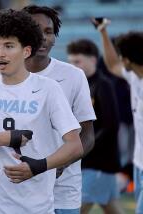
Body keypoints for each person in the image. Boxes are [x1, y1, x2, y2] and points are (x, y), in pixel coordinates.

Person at [0, 8, 84, 214]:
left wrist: (38, 166)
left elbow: (75, 146)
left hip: (36, 206)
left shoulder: (48, 89)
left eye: (9, 46)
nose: (0, 53)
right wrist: (5, 138)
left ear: (26, 51)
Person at [22, 5, 96, 214]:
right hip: (19, 191)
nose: (43, 38)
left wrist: (59, 164)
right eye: (37, 31)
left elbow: (88, 135)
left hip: (63, 193)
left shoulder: (74, 76)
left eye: (48, 32)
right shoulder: (3, 77)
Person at [67, 39, 124, 214]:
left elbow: (110, 125)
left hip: (99, 162)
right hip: (90, 161)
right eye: (71, 62)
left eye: (78, 62)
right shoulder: (80, 85)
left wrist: (82, 148)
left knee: (77, 208)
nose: (73, 67)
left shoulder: (103, 85)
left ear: (93, 60)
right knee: (111, 207)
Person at [94, 18, 143, 214]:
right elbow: (113, 64)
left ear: (129, 59)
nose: (120, 59)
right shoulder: (134, 76)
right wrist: (103, 32)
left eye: (122, 55)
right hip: (139, 163)